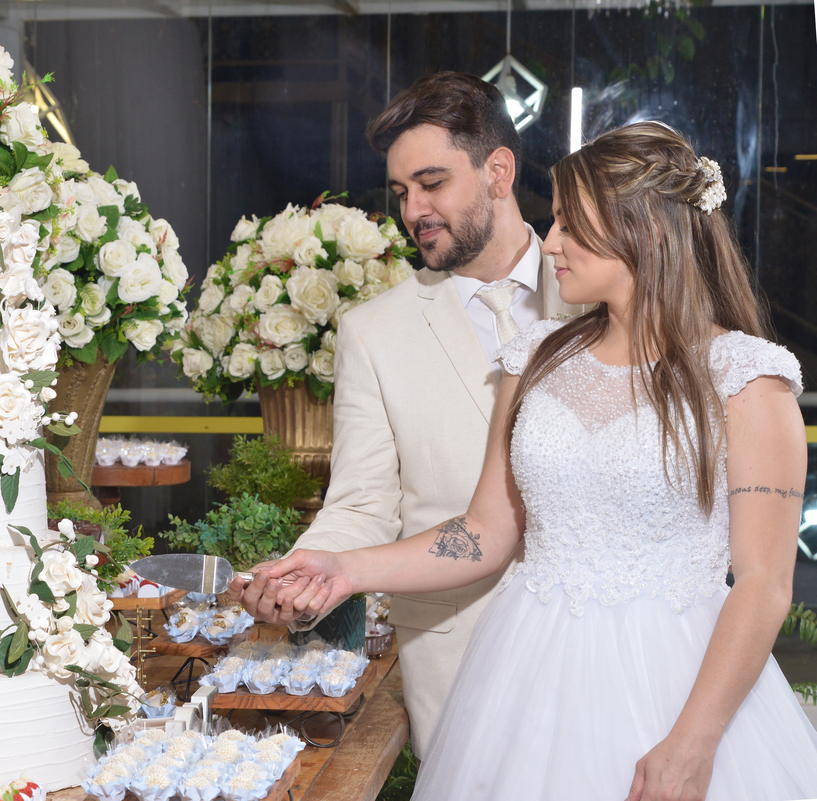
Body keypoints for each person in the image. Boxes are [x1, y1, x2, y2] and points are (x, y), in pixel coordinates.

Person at [256, 122, 817, 800]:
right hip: (526, 677)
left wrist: (693, 742)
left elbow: (764, 582)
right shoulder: (538, 356)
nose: (550, 243)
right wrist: (345, 567)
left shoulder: (746, 378)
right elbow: (486, 532)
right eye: (554, 222)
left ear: (651, 232)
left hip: (681, 682)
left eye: (573, 226)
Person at [230, 71, 583, 758]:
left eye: (432, 182)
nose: (413, 208)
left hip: (599, 658)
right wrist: (305, 572)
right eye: (400, 192)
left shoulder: (598, 296)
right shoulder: (373, 331)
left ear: (498, 172)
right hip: (461, 671)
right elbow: (361, 503)